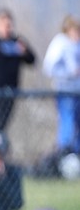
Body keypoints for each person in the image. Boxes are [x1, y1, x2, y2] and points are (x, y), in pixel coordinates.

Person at [41, 14, 80, 160]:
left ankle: (76, 155)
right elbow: (49, 68)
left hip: (78, 91)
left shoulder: (77, 44)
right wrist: (69, 73)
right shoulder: (60, 43)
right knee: (67, 123)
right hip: (65, 91)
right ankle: (64, 155)